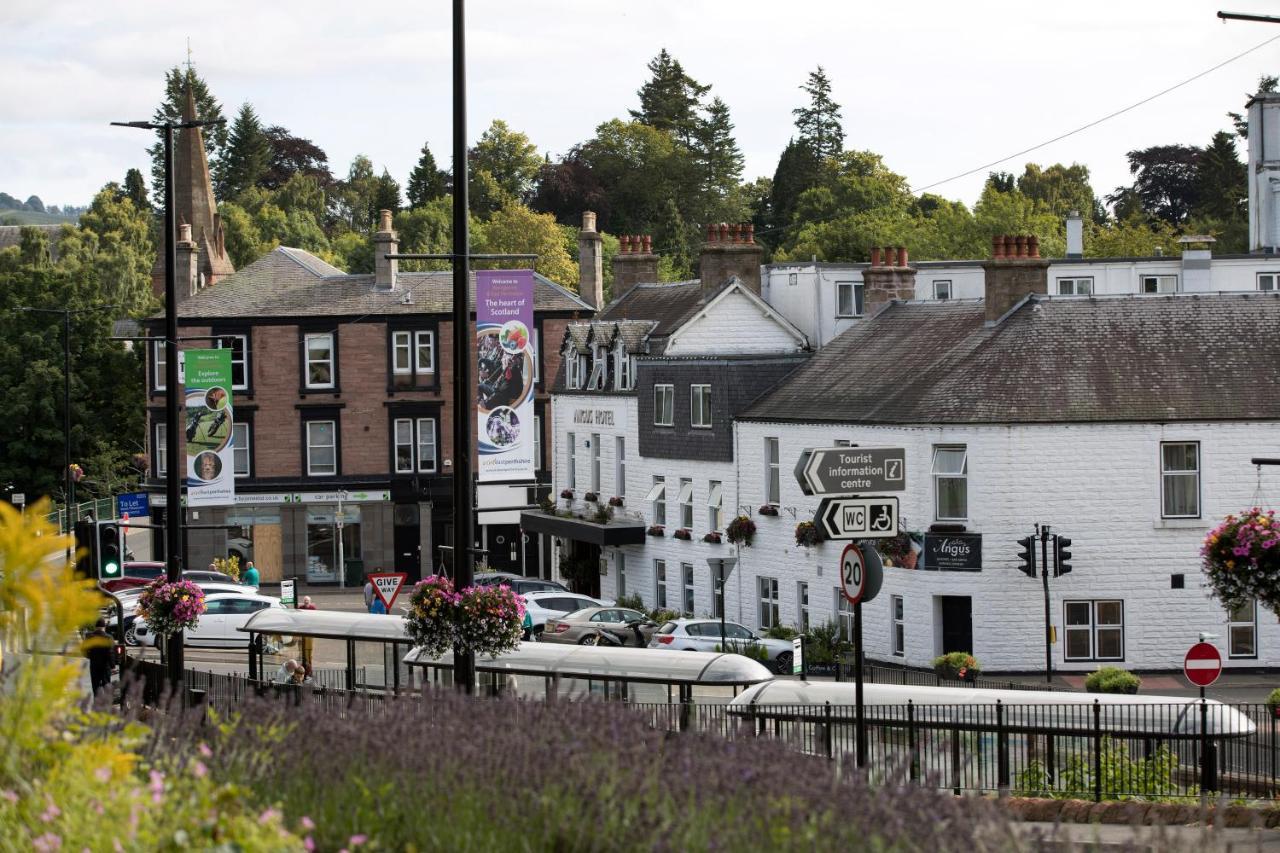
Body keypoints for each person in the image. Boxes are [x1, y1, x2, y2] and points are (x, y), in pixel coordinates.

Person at [84, 619, 116, 698]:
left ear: (96, 627)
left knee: (95, 685)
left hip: (94, 664)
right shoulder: (108, 637)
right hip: (105, 665)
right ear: (104, 627)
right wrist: (113, 666)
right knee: (106, 684)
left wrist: (89, 656)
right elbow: (110, 653)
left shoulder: (89, 637)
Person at [297, 596, 317, 675]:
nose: (306, 602)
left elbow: (315, 618)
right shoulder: (300, 607)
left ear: (310, 601)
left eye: (307, 600)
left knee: (309, 653)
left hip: (309, 631)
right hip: (303, 631)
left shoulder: (312, 608)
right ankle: (305, 667)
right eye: (305, 600)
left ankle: (309, 669)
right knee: (302, 650)